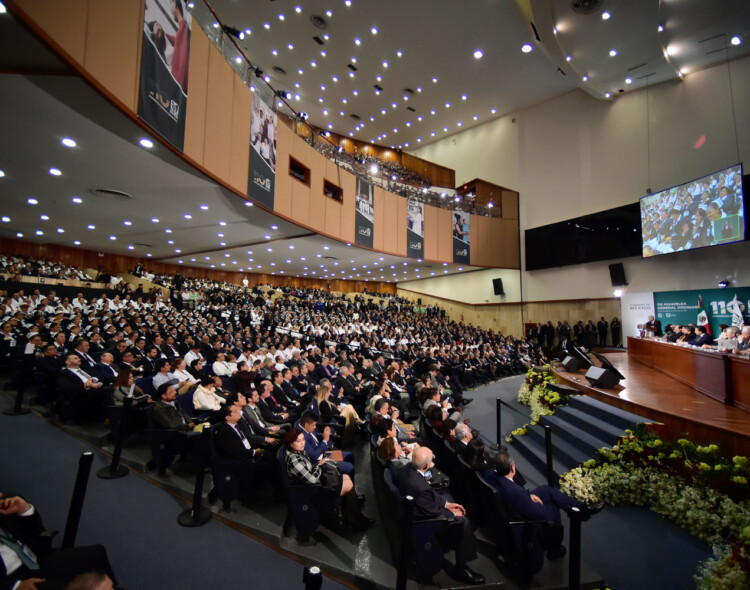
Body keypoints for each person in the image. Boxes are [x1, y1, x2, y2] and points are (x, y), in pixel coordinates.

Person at [484, 451, 603, 558]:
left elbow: (514, 493)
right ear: (512, 469)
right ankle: (554, 550)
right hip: (517, 516)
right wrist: (533, 501)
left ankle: (580, 508)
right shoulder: (517, 493)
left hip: (513, 501)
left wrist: (529, 496)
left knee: (546, 490)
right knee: (552, 506)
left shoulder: (490, 474)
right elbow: (540, 513)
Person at [396, 447, 485, 585]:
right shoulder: (420, 487)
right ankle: (460, 569)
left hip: (421, 508)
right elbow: (431, 511)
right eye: (431, 460)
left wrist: (446, 504)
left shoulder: (408, 468)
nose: (433, 462)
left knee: (448, 498)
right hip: (421, 521)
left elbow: (429, 495)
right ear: (425, 466)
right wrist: (452, 513)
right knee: (465, 522)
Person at [0, 491, 119, 589]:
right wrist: (14, 586)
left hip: (32, 560)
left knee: (96, 553)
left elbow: (44, 546)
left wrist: (25, 511)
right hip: (10, 579)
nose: (1, 495)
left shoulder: (7, 505)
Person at [284, 428, 373, 531]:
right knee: (348, 484)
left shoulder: (299, 452)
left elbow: (311, 469)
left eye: (303, 439)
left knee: (347, 477)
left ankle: (352, 516)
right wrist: (320, 465)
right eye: (298, 441)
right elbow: (312, 479)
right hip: (313, 490)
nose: (302, 443)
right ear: (291, 444)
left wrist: (319, 464)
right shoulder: (294, 459)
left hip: (318, 479)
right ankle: (356, 519)